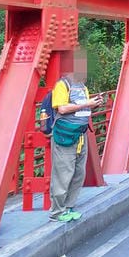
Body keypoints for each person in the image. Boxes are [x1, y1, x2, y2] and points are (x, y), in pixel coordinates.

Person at [49, 47, 103, 222]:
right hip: (65, 135)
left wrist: (94, 104)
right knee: (63, 173)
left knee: (78, 173)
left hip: (80, 134)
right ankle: (57, 212)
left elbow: (82, 108)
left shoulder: (82, 86)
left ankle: (69, 207)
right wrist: (87, 103)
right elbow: (62, 108)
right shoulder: (62, 85)